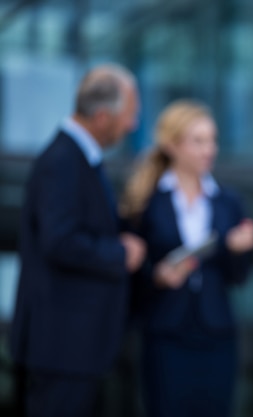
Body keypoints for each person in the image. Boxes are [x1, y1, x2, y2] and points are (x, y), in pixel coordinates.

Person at [9, 64, 146, 416]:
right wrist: (119, 253)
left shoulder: (79, 158)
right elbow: (60, 240)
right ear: (102, 116)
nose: (131, 125)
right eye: (129, 115)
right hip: (61, 349)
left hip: (72, 349)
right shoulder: (63, 160)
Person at [120, 99, 253, 417]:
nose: (209, 149)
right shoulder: (146, 201)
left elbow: (239, 276)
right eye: (199, 141)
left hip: (216, 332)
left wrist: (240, 251)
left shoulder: (228, 201)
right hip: (166, 331)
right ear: (172, 144)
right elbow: (129, 270)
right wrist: (157, 275)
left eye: (212, 140)